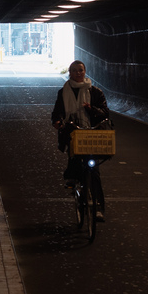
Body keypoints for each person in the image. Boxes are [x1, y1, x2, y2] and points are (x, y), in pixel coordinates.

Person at [51, 59, 110, 219]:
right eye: (75, 70)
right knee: (75, 158)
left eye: (81, 70)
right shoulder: (63, 92)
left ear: (85, 72)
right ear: (70, 73)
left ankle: (98, 208)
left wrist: (91, 109)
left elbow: (105, 113)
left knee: (94, 171)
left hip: (92, 133)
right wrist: (57, 122)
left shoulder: (95, 92)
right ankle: (72, 178)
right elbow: (58, 112)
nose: (78, 73)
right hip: (73, 132)